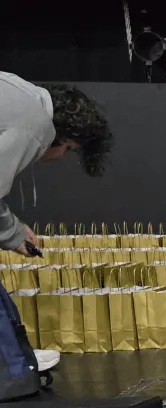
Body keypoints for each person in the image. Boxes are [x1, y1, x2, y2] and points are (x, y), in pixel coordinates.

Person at [0, 73, 113, 372]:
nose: (61, 156)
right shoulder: (35, 130)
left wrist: (12, 230)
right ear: (63, 140)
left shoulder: (25, 94)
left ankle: (16, 359)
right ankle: (14, 366)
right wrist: (12, 234)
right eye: (70, 150)